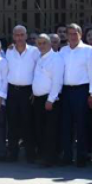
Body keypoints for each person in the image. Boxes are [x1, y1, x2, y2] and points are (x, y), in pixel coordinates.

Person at [60, 24, 92, 166]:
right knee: (66, 125)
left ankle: (81, 157)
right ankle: (67, 156)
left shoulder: (88, 50)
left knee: (82, 125)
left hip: (82, 91)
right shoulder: (63, 51)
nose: (72, 36)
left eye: (75, 33)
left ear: (80, 35)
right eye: (70, 34)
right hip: (66, 91)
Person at [3, 25, 39, 162]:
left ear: (26, 36)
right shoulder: (9, 51)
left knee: (28, 123)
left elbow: (38, 71)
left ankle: (30, 154)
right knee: (12, 122)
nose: (19, 38)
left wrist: (34, 90)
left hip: (27, 91)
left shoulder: (34, 51)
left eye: (21, 35)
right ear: (13, 36)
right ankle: (12, 153)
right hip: (12, 91)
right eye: (16, 35)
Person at [30, 33, 63, 167]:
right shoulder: (39, 57)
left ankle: (50, 158)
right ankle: (44, 155)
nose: (42, 45)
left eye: (44, 43)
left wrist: (51, 99)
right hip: (38, 99)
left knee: (50, 131)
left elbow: (57, 81)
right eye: (39, 43)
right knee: (40, 129)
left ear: (50, 44)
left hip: (50, 99)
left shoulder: (56, 58)